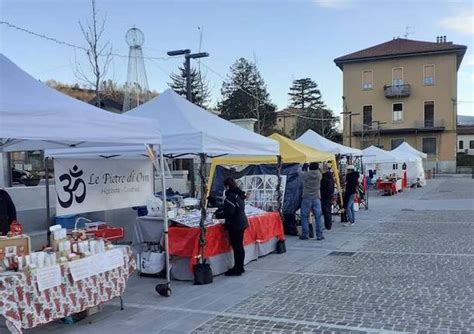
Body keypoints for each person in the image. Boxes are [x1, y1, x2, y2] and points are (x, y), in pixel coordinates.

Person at [215, 177, 248, 276]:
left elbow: (230, 212)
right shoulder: (239, 194)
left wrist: (218, 215)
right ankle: (240, 267)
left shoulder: (230, 196)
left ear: (227, 186)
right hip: (242, 222)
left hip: (235, 224)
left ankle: (237, 269)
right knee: (240, 246)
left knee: (236, 247)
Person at [300, 162, 324, 240]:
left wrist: (302, 166)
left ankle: (305, 234)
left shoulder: (306, 175)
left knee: (304, 216)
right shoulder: (319, 175)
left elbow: (298, 172)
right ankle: (319, 235)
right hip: (316, 197)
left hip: (306, 197)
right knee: (318, 217)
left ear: (310, 167)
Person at [320, 166, 335, 230]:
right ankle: (328, 225)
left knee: (326, 211)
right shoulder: (330, 177)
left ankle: (328, 225)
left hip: (325, 197)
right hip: (330, 196)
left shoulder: (324, 178)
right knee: (328, 211)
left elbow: (323, 189)